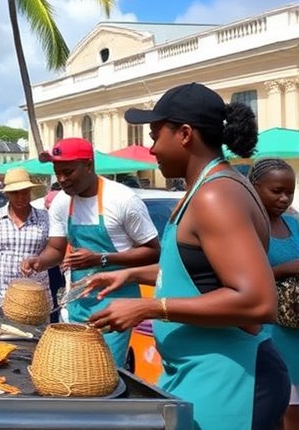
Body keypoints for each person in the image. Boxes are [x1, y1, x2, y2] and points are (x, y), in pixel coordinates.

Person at [85, 83, 288, 430]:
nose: (152, 149)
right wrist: (131, 275)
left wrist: (148, 307)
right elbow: (196, 273)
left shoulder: (216, 196)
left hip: (233, 381)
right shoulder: (205, 189)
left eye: (154, 136)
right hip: (202, 374)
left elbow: (257, 302)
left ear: (184, 134)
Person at [21, 137, 159, 365]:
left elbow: (154, 252)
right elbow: (56, 248)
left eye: (68, 172)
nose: (62, 180)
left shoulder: (123, 200)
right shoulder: (62, 203)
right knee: (74, 374)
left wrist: (101, 258)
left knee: (105, 374)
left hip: (115, 308)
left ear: (88, 166)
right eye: (58, 173)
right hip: (77, 305)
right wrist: (39, 261)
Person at [250, 159, 299, 429]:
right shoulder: (250, 229)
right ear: (255, 188)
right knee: (284, 407)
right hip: (271, 331)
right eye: (276, 191)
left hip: (296, 329)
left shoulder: (294, 225)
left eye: (289, 192)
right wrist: (283, 270)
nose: (284, 198)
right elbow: (240, 278)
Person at [0, 168, 49, 304]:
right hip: (0, 293)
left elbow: (53, 249)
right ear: (7, 194)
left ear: (30, 192)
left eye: (24, 192)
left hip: (34, 295)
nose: (20, 198)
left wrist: (40, 260)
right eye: (15, 193)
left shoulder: (45, 218)